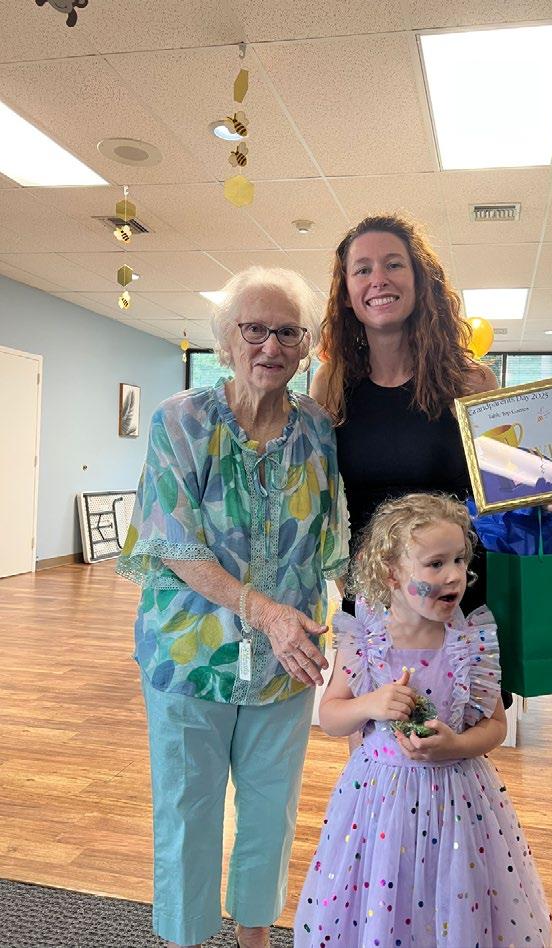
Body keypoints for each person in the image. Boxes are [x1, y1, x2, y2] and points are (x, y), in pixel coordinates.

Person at [117, 266, 350, 948]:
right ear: (226, 340)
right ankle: (185, 937)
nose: (270, 346)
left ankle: (255, 937)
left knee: (271, 813)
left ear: (305, 347)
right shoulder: (180, 420)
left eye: (287, 332)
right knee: (187, 812)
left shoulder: (318, 430)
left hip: (287, 661)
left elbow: (333, 538)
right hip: (190, 657)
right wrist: (266, 612)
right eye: (253, 329)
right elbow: (173, 544)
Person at [311, 212, 552, 615]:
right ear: (347, 294)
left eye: (394, 264)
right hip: (375, 594)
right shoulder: (331, 382)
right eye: (362, 269)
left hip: (458, 593)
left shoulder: (468, 380)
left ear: (420, 281)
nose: (379, 279)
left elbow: (507, 481)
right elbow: (320, 495)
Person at [294, 493, 552, 947]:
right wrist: (370, 704)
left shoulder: (471, 642)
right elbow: (331, 716)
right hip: (377, 807)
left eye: (459, 560)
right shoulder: (366, 641)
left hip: (458, 805)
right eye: (435, 564)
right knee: (383, 901)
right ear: (391, 574)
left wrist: (455, 746)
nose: (453, 575)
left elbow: (495, 726)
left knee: (453, 900)